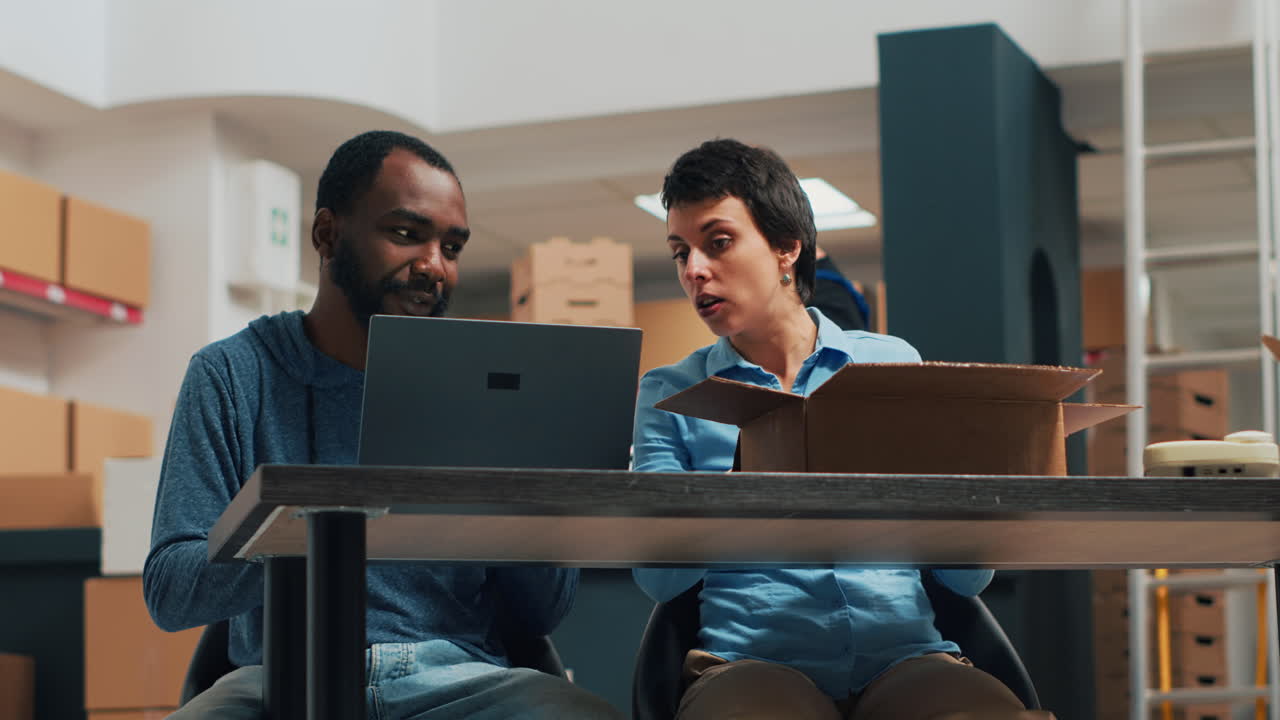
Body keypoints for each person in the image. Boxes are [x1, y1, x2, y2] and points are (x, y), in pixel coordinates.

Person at [144, 130, 621, 720]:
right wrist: (312, 535)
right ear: (327, 234)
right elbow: (170, 590)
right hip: (283, 682)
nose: (433, 267)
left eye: (452, 247)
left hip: (457, 679)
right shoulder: (232, 374)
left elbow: (540, 614)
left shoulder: (484, 383)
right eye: (406, 234)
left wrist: (531, 503)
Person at [631, 138, 1052, 720]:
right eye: (681, 253)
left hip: (906, 656)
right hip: (752, 663)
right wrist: (735, 496)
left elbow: (968, 576)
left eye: (718, 242)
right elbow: (657, 580)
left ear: (785, 248)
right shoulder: (669, 392)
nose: (695, 270)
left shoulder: (891, 365)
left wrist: (961, 496)